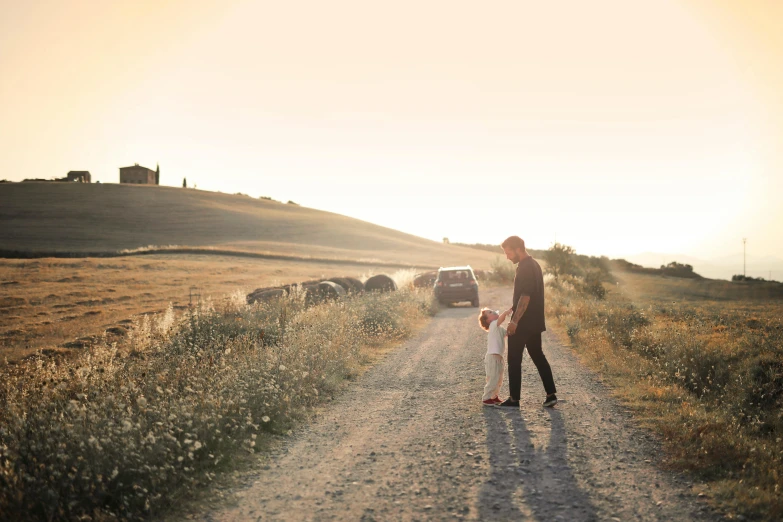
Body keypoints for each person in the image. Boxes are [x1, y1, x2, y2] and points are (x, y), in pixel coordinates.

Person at [498, 235, 558, 408]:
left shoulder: (525, 267)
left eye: (508, 253)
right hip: (535, 321)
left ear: (518, 249)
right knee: (538, 355)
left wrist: (515, 321)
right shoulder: (535, 264)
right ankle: (551, 394)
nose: (507, 257)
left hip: (523, 323)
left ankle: (514, 399)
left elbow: (526, 296)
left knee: (514, 359)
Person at [478, 307, 513, 407]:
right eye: (490, 312)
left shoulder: (499, 328)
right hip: (492, 357)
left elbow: (506, 334)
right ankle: (486, 397)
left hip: (499, 357)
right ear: (488, 320)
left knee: (499, 378)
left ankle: (494, 396)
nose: (493, 312)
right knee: (492, 377)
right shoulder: (493, 325)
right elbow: (500, 319)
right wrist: (506, 313)